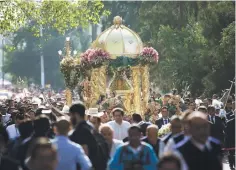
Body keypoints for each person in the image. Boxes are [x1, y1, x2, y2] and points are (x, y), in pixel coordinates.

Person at [69, 103, 109, 170]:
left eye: (70, 115)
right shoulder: (90, 128)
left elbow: (84, 154)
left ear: (76, 115)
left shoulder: (80, 131)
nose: (70, 118)